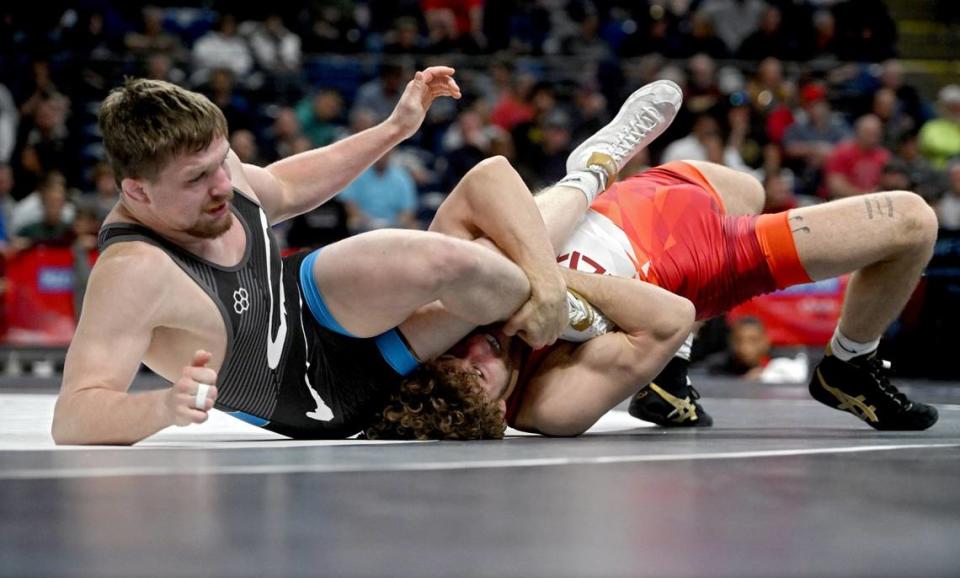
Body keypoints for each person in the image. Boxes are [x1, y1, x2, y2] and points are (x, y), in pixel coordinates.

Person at [51, 73, 683, 445]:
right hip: (321, 391)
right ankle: (586, 196)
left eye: (222, 163)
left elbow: (287, 187)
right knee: (482, 258)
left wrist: (393, 130)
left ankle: (564, 279)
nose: (223, 186)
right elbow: (74, 413)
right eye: (198, 180)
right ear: (137, 192)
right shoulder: (133, 271)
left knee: (438, 257)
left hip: (307, 297)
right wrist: (160, 408)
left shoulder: (218, 172)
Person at [368, 145, 940, 438]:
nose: (472, 352)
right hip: (710, 258)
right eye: (472, 376)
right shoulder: (550, 405)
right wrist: (548, 287)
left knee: (750, 187)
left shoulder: (453, 315)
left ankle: (667, 377)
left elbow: (487, 178)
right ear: (494, 408)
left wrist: (531, 277)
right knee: (913, 221)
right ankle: (849, 364)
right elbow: (672, 315)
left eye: (449, 358)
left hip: (649, 196)